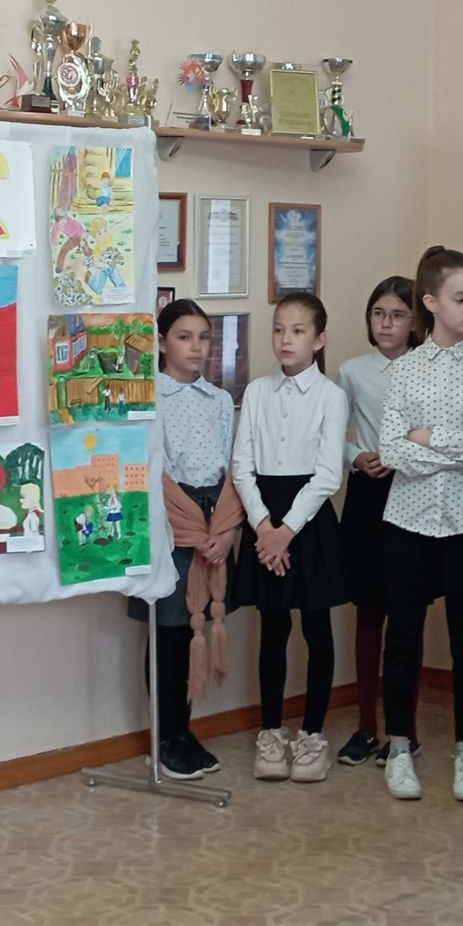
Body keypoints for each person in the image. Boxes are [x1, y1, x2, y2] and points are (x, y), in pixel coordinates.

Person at [378, 247, 463, 801]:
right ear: (430, 303)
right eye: (460, 298)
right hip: (407, 522)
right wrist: (459, 443)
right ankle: (399, 748)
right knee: (403, 638)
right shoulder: (404, 370)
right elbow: (391, 450)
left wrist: (427, 438)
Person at [231, 293, 349, 783]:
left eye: (298, 330)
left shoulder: (331, 397)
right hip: (265, 515)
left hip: (308, 519)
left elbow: (328, 475)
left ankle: (313, 735)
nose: (286, 339)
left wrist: (286, 532)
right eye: (279, 329)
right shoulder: (257, 392)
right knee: (272, 627)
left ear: (319, 339)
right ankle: (271, 732)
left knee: (316, 628)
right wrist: (263, 527)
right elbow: (241, 465)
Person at [131, 299, 242, 781]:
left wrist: (225, 528)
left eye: (203, 337)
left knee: (195, 627)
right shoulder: (149, 398)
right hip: (169, 516)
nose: (196, 347)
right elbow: (151, 469)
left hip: (214, 516)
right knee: (169, 634)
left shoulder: (218, 400)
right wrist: (190, 526)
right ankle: (165, 737)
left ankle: (184, 730)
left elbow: (231, 467)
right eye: (183, 337)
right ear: (161, 342)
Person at [334, 276, 422, 766]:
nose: (386, 324)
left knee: (406, 615)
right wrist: (356, 456)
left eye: (397, 315)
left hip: (413, 492)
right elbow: (334, 434)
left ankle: (404, 733)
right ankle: (366, 726)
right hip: (368, 496)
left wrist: (403, 455)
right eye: (378, 314)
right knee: (368, 611)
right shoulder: (352, 371)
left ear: (415, 321)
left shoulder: (428, 368)